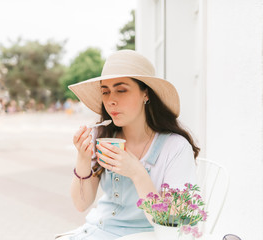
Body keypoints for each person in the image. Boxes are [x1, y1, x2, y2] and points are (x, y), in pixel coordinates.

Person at [55, 50, 200, 239]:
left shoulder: (175, 148)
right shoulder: (104, 135)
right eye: (105, 92)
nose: (111, 100)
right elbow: (81, 204)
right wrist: (82, 158)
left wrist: (136, 172)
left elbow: (172, 223)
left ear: (145, 94)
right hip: (95, 230)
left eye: (121, 90)